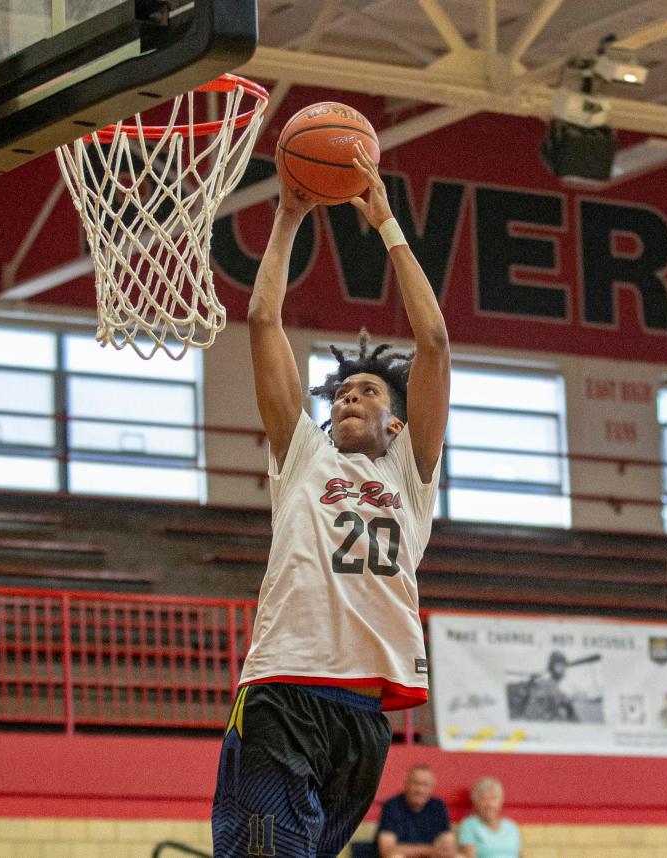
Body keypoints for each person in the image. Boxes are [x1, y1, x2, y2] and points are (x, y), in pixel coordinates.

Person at [211, 142, 451, 858]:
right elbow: (261, 323)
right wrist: (286, 217)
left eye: (367, 392)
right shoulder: (303, 453)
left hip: (363, 716)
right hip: (285, 689)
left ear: (396, 423)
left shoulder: (411, 473)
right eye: (342, 392)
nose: (348, 398)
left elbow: (433, 341)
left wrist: (388, 227)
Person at [376, 765, 456, 858]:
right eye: (416, 783)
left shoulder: (438, 806)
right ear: (406, 784)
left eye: (425, 785)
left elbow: (449, 847)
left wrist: (439, 850)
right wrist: (429, 850)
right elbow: (387, 850)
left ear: (432, 788)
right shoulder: (392, 806)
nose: (420, 790)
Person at [457, 778, 519, 858]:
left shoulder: (511, 826)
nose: (489, 804)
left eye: (493, 799)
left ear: (500, 801)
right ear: (475, 802)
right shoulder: (469, 825)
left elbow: (519, 855)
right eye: (483, 799)